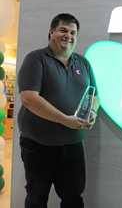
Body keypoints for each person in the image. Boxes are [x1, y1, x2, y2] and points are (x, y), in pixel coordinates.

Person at [17, 13, 99, 208]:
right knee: (37, 197)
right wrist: (65, 119)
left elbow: (94, 96)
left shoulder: (83, 63)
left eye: (73, 32)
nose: (68, 36)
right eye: (63, 30)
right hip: (38, 145)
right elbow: (29, 98)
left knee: (73, 197)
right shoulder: (36, 59)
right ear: (51, 32)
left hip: (72, 145)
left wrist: (92, 114)